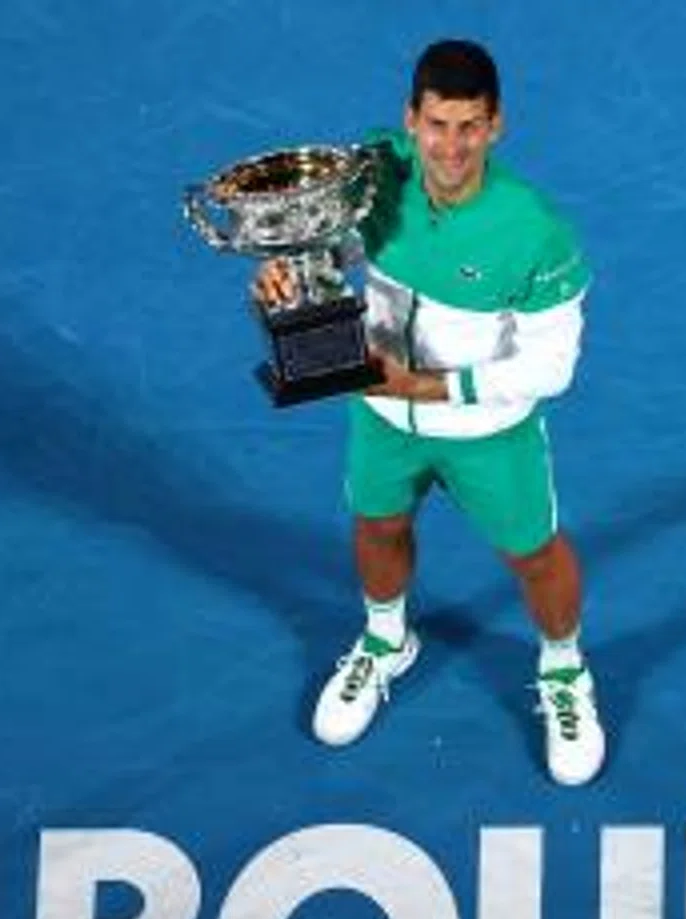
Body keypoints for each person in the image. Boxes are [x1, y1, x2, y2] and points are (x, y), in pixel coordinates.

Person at [253, 38, 605, 786]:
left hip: (487, 431)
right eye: (438, 125)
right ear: (410, 119)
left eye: (470, 126)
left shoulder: (537, 232)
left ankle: (565, 670)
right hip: (380, 413)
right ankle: (386, 640)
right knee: (378, 525)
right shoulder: (374, 171)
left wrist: (426, 389)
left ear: (497, 126)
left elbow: (551, 367)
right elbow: (337, 244)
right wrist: (293, 278)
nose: (452, 146)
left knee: (534, 555)